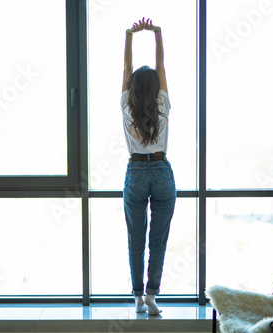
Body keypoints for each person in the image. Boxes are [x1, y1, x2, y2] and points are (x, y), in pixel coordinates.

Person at [121, 17, 176, 316]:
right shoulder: (162, 103)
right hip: (162, 171)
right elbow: (162, 67)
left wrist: (129, 35)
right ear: (155, 86)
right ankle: (153, 296)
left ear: (133, 87)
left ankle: (137, 298)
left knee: (136, 240)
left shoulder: (126, 104)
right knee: (158, 240)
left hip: (136, 172)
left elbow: (126, 70)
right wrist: (157, 33)